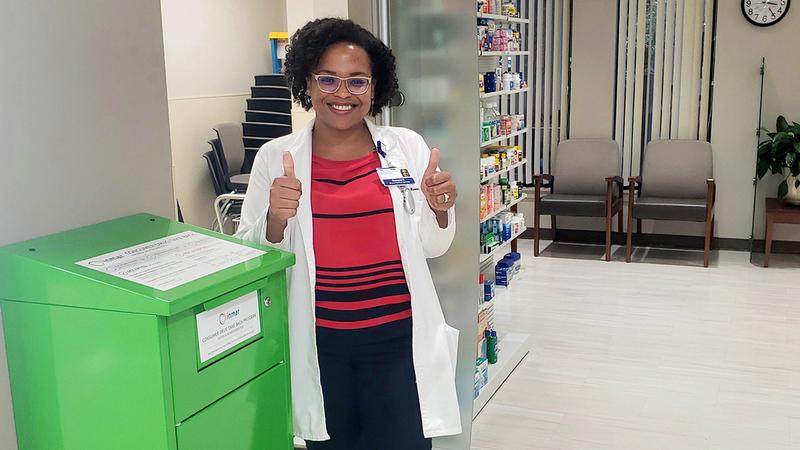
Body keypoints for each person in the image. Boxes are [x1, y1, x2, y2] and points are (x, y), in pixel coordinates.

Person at [235, 18, 461, 450]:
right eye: (328, 79)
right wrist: (276, 220)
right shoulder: (275, 158)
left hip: (399, 345)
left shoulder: (405, 147)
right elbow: (250, 256)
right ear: (307, 82)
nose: (342, 94)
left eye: (357, 81)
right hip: (321, 346)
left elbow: (434, 246)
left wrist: (441, 210)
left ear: (374, 87)